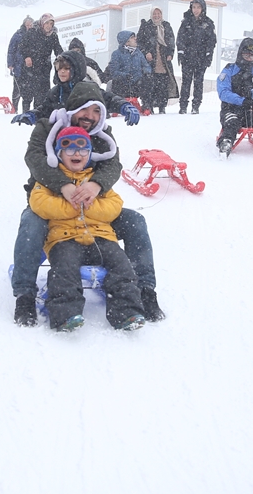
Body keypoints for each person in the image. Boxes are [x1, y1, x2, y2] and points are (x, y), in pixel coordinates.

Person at [11, 81, 164, 327]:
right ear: (73, 108)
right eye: (84, 109)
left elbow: (113, 165)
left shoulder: (102, 134)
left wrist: (96, 185)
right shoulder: (47, 127)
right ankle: (24, 296)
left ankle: (145, 290)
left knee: (135, 221)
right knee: (31, 224)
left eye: (96, 111)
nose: (90, 117)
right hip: (52, 200)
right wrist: (63, 185)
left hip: (93, 205)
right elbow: (35, 159)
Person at [29, 123, 148, 332]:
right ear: (59, 154)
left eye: (83, 149)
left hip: (101, 237)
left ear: (90, 154)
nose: (77, 154)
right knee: (64, 270)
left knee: (122, 266)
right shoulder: (51, 179)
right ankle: (65, 314)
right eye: (69, 149)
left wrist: (90, 204)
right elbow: (39, 202)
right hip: (63, 238)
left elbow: (114, 205)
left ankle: (127, 312)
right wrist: (73, 205)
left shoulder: (95, 181)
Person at [14, 50, 138, 128]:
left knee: (105, 135)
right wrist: (32, 115)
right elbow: (45, 110)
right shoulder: (56, 92)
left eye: (66, 68)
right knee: (41, 132)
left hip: (86, 132)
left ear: (76, 69)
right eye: (59, 68)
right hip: (62, 134)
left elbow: (109, 99)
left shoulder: (88, 88)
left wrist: (124, 106)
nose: (62, 72)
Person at [176, 0, 216, 114]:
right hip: (187, 58)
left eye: (198, 7)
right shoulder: (186, 22)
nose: (196, 10)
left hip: (201, 58)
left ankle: (196, 106)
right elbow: (180, 39)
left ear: (203, 9)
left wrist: (208, 55)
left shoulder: (208, 23)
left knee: (198, 82)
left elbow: (211, 42)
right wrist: (181, 52)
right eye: (194, 7)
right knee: (186, 82)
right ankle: (183, 106)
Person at [137, 7, 177, 114]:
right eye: (154, 14)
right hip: (151, 61)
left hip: (163, 60)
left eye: (158, 13)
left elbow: (171, 41)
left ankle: (162, 106)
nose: (156, 16)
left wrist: (170, 53)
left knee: (163, 84)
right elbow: (139, 42)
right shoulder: (146, 26)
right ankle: (149, 106)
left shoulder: (166, 26)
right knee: (150, 84)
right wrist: (146, 52)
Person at [21, 13, 63, 111]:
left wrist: (63, 58)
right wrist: (27, 56)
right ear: (42, 23)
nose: (49, 26)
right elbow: (22, 46)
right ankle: (26, 114)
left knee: (42, 95)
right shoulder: (32, 32)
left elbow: (58, 49)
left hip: (44, 68)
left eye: (51, 24)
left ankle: (38, 114)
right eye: (47, 23)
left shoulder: (53, 36)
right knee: (28, 94)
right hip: (30, 67)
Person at [105, 30, 151, 106]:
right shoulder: (116, 54)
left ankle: (146, 106)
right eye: (132, 37)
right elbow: (113, 71)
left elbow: (146, 66)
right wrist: (125, 75)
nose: (135, 39)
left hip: (137, 83)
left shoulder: (138, 53)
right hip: (123, 84)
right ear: (126, 42)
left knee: (148, 82)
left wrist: (147, 73)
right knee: (117, 85)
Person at [7, 16, 34, 113]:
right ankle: (14, 109)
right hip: (18, 66)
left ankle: (26, 110)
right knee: (17, 89)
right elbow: (11, 50)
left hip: (30, 67)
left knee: (28, 90)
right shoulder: (18, 35)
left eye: (30, 25)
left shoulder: (34, 35)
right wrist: (10, 63)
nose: (29, 27)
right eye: (27, 25)